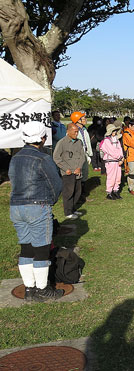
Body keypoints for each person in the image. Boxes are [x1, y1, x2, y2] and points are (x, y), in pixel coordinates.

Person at [9, 121, 64, 301]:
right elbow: (55, 184)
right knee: (41, 249)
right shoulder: (43, 158)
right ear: (42, 138)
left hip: (16, 206)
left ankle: (29, 289)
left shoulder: (15, 158)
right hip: (37, 206)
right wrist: (51, 202)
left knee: (26, 247)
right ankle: (42, 289)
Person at [53, 123, 86, 219]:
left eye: (77, 131)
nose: (76, 133)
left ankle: (73, 209)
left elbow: (82, 156)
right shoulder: (62, 142)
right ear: (68, 132)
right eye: (75, 131)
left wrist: (79, 167)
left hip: (77, 172)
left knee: (77, 192)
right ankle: (68, 212)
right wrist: (65, 168)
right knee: (68, 193)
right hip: (68, 173)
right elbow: (56, 157)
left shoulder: (79, 142)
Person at [99, 123, 124, 200]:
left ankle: (115, 190)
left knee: (118, 177)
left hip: (117, 161)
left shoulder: (116, 140)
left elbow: (120, 149)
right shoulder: (106, 141)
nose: (115, 132)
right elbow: (111, 151)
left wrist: (122, 158)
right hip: (111, 161)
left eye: (116, 131)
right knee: (111, 177)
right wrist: (120, 157)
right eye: (113, 131)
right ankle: (109, 192)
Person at [71, 111, 92, 194]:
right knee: (78, 175)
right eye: (83, 118)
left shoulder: (83, 129)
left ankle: (83, 194)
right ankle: (78, 195)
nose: (85, 119)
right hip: (77, 156)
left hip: (84, 154)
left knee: (84, 175)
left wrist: (88, 154)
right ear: (78, 120)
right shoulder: (73, 130)